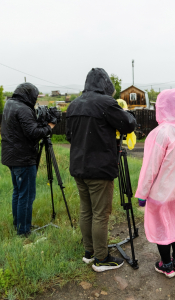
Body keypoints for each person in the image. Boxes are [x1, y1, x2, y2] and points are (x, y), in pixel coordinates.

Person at [66, 68, 137, 272]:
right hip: (99, 169)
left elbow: (69, 137)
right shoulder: (105, 103)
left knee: (86, 210)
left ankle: (89, 253)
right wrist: (126, 114)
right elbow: (128, 125)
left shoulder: (74, 104)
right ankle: (102, 258)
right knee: (101, 214)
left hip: (79, 167)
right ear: (105, 84)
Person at [135, 88, 175, 278]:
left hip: (161, 192)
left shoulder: (161, 133)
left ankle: (166, 264)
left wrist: (142, 193)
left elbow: (150, 168)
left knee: (162, 226)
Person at [1, 83, 55, 237]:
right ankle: (24, 231)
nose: (35, 99)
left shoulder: (10, 104)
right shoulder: (23, 108)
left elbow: (23, 128)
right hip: (23, 158)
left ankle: (19, 224)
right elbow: (33, 133)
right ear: (28, 95)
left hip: (11, 156)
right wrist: (50, 126)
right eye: (35, 96)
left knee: (18, 192)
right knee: (27, 195)